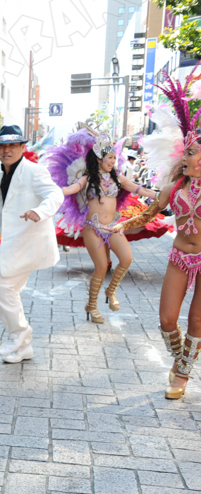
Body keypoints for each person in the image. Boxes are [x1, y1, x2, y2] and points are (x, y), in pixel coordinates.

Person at [115, 72, 201, 399]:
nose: (189, 157)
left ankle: (182, 373)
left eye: (195, 153)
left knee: (197, 323)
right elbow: (146, 215)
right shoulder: (173, 188)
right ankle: (182, 357)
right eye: (189, 151)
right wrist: (120, 226)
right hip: (180, 257)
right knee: (167, 319)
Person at [48, 124, 158, 323]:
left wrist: (160, 195)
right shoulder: (87, 177)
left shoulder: (118, 177)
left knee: (126, 259)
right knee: (101, 267)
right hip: (93, 228)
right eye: (110, 158)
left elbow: (137, 188)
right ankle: (91, 305)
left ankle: (110, 291)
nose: (113, 161)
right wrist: (55, 191)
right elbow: (73, 188)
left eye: (115, 158)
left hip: (114, 226)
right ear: (99, 159)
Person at [0, 125, 64, 364]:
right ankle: (24, 348)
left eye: (12, 145)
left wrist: (39, 211)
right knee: (10, 289)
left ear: (22, 147)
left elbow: (55, 194)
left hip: (30, 243)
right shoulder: (0, 174)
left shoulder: (34, 171)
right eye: (3, 146)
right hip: (13, 244)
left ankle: (20, 334)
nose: (7, 150)